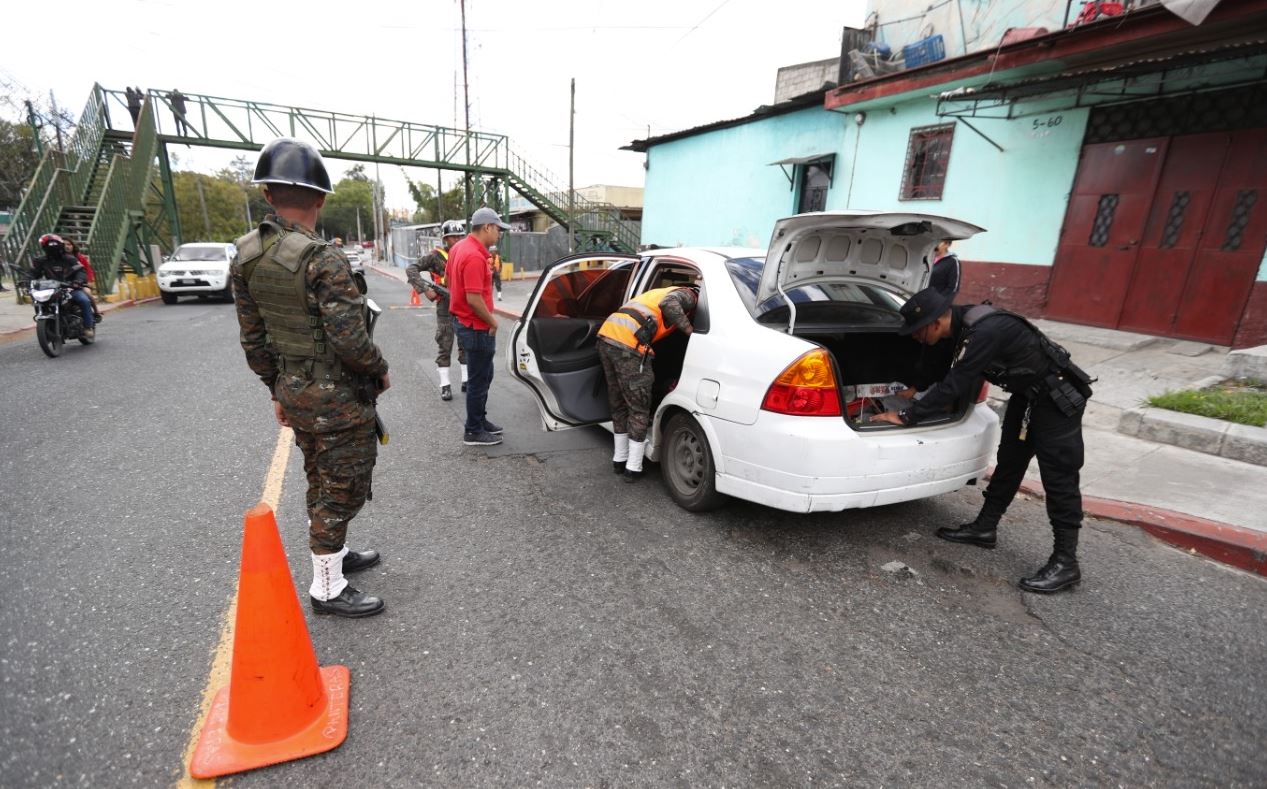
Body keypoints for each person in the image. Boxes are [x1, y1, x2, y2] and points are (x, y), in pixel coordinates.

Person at [230, 137, 390, 619]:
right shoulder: (324, 259)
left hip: (295, 392)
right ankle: (328, 587)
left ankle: (334, 555)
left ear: (267, 195)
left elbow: (253, 340)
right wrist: (380, 369)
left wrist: (276, 389)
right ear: (320, 198)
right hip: (337, 397)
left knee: (319, 474)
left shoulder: (246, 255)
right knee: (343, 485)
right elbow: (351, 341)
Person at [871, 287, 1094, 594]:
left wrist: (908, 416)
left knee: (1060, 479)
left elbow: (958, 380)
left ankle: (1066, 563)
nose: (915, 338)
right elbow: (942, 364)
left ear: (934, 323)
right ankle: (985, 528)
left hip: (1056, 400)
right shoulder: (959, 327)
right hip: (1028, 397)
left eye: (917, 332)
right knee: (1010, 463)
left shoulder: (984, 331)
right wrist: (916, 388)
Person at [596, 285, 699, 481]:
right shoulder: (690, 294)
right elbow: (669, 304)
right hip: (627, 347)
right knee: (639, 407)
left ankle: (620, 460)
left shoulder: (657, 292)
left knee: (618, 403)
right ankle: (633, 468)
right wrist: (691, 333)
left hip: (606, 338)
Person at [448, 206, 510, 446]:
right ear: (487, 227)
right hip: (476, 325)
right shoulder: (474, 255)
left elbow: (453, 282)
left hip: (465, 322)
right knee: (479, 378)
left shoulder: (458, 248)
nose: (500, 234)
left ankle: (479, 420)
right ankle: (473, 430)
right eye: (498, 229)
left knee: (484, 375)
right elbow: (474, 299)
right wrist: (493, 322)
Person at [406, 221, 468, 401]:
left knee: (465, 342)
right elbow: (411, 269)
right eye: (452, 237)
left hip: (464, 304)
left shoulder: (465, 254)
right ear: (445, 238)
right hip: (445, 304)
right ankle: (445, 385)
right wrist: (425, 289)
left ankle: (466, 380)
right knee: (445, 342)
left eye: (459, 236)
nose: (456, 240)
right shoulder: (435, 256)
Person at [30, 234, 94, 338]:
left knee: (84, 300)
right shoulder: (41, 261)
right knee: (38, 302)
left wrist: (77, 281)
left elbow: (81, 271)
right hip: (51, 289)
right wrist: (26, 280)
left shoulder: (70, 258)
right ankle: (48, 328)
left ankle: (88, 326)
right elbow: (33, 273)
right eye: (49, 246)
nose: (52, 249)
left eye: (55, 246)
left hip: (70, 288)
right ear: (44, 247)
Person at [63, 239, 102, 322]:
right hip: (65, 284)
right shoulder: (59, 258)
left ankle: (96, 311)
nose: (67, 246)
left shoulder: (80, 257)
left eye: (69, 244)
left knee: (87, 293)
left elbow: (88, 270)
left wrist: (89, 281)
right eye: (64, 244)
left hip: (80, 283)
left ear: (73, 246)